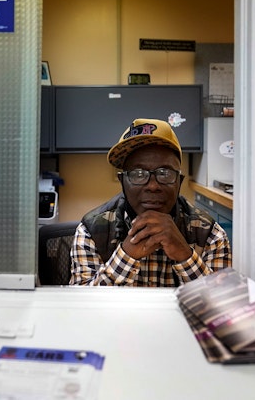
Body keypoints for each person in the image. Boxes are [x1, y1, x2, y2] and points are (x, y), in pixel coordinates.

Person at [70, 118, 231, 286]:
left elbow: (222, 305)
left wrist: (185, 256)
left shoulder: (209, 234)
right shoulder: (92, 230)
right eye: (138, 174)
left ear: (179, 181)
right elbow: (84, 306)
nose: (153, 186)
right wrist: (126, 257)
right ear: (122, 182)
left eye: (165, 173)